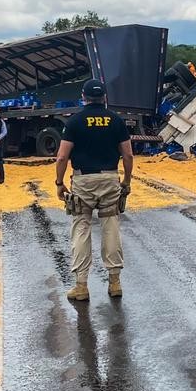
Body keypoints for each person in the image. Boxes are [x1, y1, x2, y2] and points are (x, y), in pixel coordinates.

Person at [55, 79, 133, 301]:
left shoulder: (75, 121)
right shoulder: (116, 120)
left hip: (83, 181)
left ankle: (81, 286)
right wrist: (126, 181)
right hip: (110, 179)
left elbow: (62, 156)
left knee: (81, 228)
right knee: (111, 227)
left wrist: (60, 183)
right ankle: (115, 283)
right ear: (104, 97)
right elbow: (127, 155)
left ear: (83, 96)